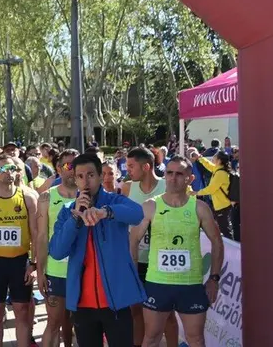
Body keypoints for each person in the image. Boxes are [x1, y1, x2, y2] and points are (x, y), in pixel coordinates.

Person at [50, 154, 147, 347]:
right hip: (82, 304)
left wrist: (106, 212)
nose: (86, 181)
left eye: (91, 175)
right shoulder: (68, 210)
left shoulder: (114, 201)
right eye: (80, 176)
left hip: (116, 301)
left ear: (101, 176)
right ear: (75, 179)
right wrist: (75, 219)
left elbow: (138, 214)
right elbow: (57, 251)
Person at [130, 156, 225, 347]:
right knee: (151, 337)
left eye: (179, 174)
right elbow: (133, 240)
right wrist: (133, 276)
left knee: (196, 339)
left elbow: (217, 241)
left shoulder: (199, 208)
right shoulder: (150, 206)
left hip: (190, 284)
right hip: (158, 283)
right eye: (169, 173)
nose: (173, 178)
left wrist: (214, 278)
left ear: (190, 178)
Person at [0, 155, 38, 347]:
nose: (9, 172)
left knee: (22, 310)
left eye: (12, 168)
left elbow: (36, 235)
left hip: (20, 262)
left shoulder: (27, 198)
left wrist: (34, 264)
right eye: (4, 169)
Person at [121, 147, 176, 347]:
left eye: (131, 166)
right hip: (135, 257)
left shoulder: (167, 186)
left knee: (167, 314)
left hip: (161, 261)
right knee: (135, 309)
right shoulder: (127, 187)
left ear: (146, 167)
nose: (127, 170)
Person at [36, 149, 79, 347]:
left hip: (82, 270)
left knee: (81, 324)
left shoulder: (90, 196)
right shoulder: (46, 197)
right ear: (59, 169)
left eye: (76, 165)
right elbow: (41, 237)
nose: (72, 170)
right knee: (54, 323)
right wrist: (40, 271)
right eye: (68, 166)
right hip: (56, 271)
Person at [190, 151, 234, 239]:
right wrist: (200, 158)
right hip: (221, 204)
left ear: (219, 161)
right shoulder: (218, 169)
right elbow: (209, 165)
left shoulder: (220, 174)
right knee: (223, 228)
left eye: (215, 156)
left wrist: (197, 192)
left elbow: (211, 189)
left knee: (225, 230)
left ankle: (232, 246)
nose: (212, 158)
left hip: (222, 205)